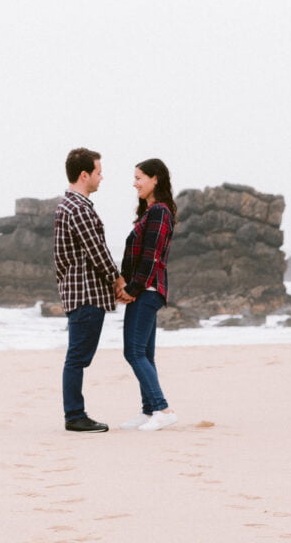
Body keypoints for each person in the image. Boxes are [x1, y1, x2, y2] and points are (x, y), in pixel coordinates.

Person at [54, 147, 126, 433]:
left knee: (77, 357)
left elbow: (63, 260)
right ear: (84, 175)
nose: (102, 177)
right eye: (98, 172)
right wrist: (117, 281)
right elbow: (97, 251)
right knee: (77, 358)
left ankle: (75, 414)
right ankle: (74, 416)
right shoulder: (78, 209)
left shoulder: (67, 206)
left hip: (78, 292)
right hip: (86, 295)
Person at [117, 157, 178, 431]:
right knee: (145, 353)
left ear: (156, 179)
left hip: (148, 290)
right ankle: (149, 410)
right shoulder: (150, 211)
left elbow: (151, 258)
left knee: (134, 352)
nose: (135, 183)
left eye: (139, 177)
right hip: (146, 290)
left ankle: (162, 408)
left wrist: (132, 289)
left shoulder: (160, 212)